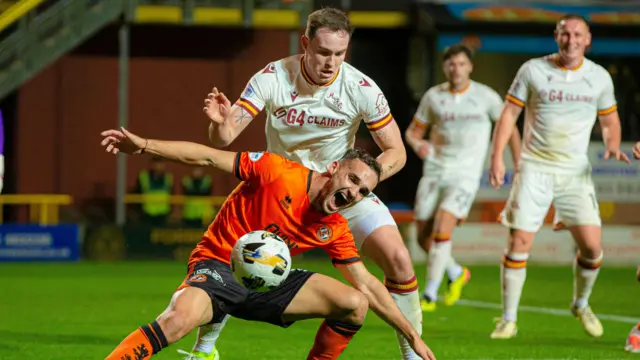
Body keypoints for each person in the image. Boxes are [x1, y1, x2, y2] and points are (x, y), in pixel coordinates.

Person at [190, 7, 422, 360]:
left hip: (340, 189)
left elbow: (396, 151)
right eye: (323, 52)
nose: (331, 63)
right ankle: (204, 349)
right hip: (284, 191)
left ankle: (414, 356)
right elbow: (224, 137)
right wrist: (218, 125)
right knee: (233, 257)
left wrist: (363, 183)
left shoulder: (361, 88)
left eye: (340, 54)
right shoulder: (272, 78)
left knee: (399, 260)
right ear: (305, 44)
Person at [100, 127, 435, 360]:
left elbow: (368, 285)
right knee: (176, 322)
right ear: (333, 168)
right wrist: (144, 145)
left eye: (364, 191)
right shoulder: (278, 172)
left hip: (269, 279)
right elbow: (207, 157)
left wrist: (412, 335)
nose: (354, 192)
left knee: (354, 303)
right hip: (219, 265)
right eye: (352, 179)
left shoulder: (334, 226)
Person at [488, 14, 630, 339]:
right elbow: (509, 114)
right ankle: (508, 318)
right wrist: (498, 158)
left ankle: (580, 303)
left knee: (593, 248)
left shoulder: (599, 78)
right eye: (565, 34)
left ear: (588, 39)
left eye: (577, 35)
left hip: (574, 172)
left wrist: (611, 145)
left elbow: (610, 120)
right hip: (534, 167)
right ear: (556, 36)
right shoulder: (533, 69)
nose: (571, 40)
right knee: (519, 241)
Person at [404, 44, 521, 312]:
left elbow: (509, 127)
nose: (456, 69)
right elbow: (413, 132)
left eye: (461, 64)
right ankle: (456, 273)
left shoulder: (485, 96)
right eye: (451, 64)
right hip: (435, 170)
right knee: (423, 236)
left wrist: (517, 161)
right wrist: (418, 144)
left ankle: (430, 294)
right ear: (445, 67)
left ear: (470, 67)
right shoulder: (434, 97)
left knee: (443, 227)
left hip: (465, 174)